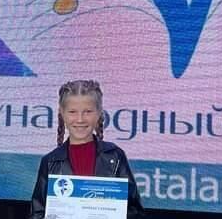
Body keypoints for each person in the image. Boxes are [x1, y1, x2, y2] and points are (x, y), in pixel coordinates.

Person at [29, 80, 145, 219]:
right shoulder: (50, 162)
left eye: (88, 112)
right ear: (62, 114)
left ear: (99, 113)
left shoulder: (115, 156)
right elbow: (37, 213)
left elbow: (135, 211)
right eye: (72, 112)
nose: (80, 119)